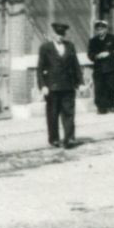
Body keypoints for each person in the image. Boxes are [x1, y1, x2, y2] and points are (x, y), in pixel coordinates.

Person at [37, 21, 83, 149]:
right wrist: (43, 86)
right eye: (57, 34)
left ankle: (69, 138)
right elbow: (40, 68)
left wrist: (80, 82)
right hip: (52, 87)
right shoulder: (45, 48)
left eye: (62, 34)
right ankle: (54, 139)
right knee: (52, 114)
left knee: (69, 113)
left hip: (68, 86)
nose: (60, 37)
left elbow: (76, 65)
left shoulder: (70, 46)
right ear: (52, 34)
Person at [87, 19, 114, 114]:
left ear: (106, 29)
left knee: (111, 87)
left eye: (102, 29)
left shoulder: (113, 38)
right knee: (99, 88)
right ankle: (101, 107)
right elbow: (90, 54)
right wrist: (96, 56)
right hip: (98, 68)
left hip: (110, 68)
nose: (100, 31)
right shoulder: (93, 41)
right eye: (98, 29)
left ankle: (112, 105)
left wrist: (109, 53)